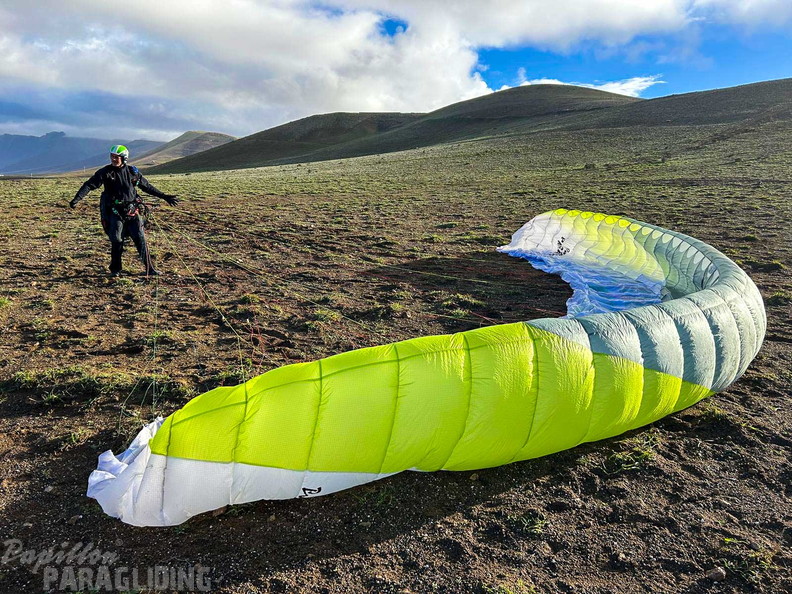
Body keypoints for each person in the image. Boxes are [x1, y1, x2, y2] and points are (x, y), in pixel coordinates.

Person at [70, 145, 179, 277]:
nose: (113, 159)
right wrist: (77, 199)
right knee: (116, 239)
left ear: (124, 158)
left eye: (116, 157)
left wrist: (164, 196)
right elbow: (89, 185)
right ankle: (115, 270)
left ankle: (150, 269)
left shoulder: (132, 172)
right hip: (115, 212)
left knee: (140, 239)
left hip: (133, 211)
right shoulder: (105, 172)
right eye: (112, 156)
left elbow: (147, 187)